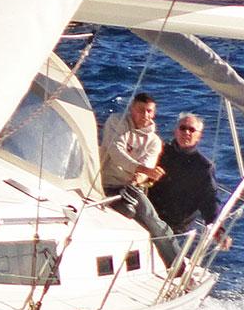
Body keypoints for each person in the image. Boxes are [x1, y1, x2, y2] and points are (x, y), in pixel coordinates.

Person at [99, 92, 179, 267]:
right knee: (125, 213)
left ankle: (177, 266)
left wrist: (140, 176)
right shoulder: (116, 122)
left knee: (152, 219)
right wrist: (145, 170)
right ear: (131, 110)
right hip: (103, 184)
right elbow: (116, 152)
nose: (145, 115)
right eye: (140, 110)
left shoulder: (154, 141)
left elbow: (147, 165)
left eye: (149, 111)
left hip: (130, 187)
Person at [148, 112, 232, 252]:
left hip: (176, 227)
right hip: (149, 216)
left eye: (192, 130)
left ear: (199, 136)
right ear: (176, 131)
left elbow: (210, 200)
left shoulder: (203, 167)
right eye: (182, 128)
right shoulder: (159, 152)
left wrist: (218, 230)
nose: (186, 132)